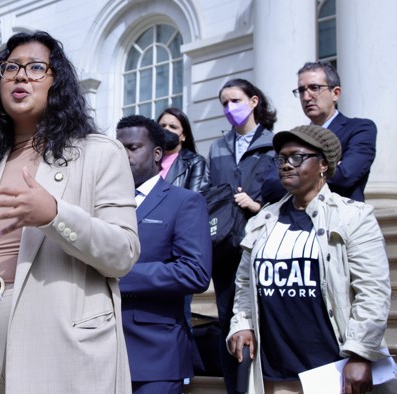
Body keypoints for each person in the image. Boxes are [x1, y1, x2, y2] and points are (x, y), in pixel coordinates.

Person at [0, 31, 140, 393]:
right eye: (10, 68)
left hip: (63, 349)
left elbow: (123, 254)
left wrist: (54, 215)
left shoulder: (100, 153)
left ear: (58, 83)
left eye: (37, 67)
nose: (21, 76)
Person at [228, 125, 392, 394]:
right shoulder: (262, 221)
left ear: (323, 165)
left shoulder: (353, 217)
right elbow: (245, 283)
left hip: (331, 370)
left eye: (296, 157)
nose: (286, 166)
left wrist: (361, 354)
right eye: (281, 159)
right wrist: (242, 324)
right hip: (273, 371)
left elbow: (373, 292)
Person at [116, 115, 212, 393]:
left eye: (132, 147)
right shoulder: (102, 203)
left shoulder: (185, 202)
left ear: (157, 153)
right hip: (101, 348)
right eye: (118, 148)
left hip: (155, 354)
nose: (124, 155)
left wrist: (118, 274)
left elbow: (194, 273)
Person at [208, 78, 283, 393]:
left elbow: (282, 191)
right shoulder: (217, 146)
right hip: (226, 246)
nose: (229, 108)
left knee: (266, 319)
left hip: (263, 240)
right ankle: (235, 387)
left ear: (254, 101)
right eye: (224, 103)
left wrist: (256, 205)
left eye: (235, 101)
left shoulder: (274, 143)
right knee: (229, 321)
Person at [294, 61, 376, 202]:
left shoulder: (360, 129)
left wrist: (294, 176)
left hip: (341, 219)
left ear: (336, 93)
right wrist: (323, 170)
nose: (306, 97)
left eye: (314, 88)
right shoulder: (294, 139)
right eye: (301, 90)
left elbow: (345, 176)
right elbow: (270, 185)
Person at [157, 107, 209, 193]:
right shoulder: (148, 160)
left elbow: (193, 197)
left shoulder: (195, 162)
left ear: (184, 136)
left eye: (173, 127)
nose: (166, 129)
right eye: (162, 126)